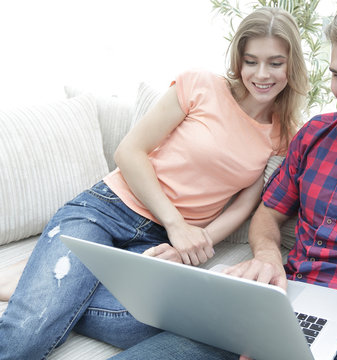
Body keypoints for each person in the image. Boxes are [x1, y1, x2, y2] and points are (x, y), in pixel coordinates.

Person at [110, 1, 337, 359]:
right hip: (287, 308)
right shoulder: (314, 135)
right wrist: (268, 258)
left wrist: (298, 345)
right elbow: (268, 214)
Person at [0, 7, 308, 359]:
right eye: (251, 61)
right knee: (29, 335)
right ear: (238, 60)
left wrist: (191, 243)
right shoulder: (200, 85)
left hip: (158, 243)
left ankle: (47, 284)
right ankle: (46, 293)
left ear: (291, 65)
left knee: (162, 322)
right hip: (104, 210)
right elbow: (129, 151)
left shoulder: (282, 135)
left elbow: (244, 205)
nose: (261, 74)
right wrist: (178, 224)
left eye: (275, 62)